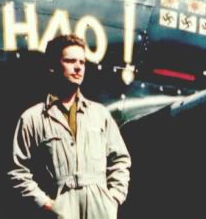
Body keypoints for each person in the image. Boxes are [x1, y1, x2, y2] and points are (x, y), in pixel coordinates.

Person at [8, 34, 131, 218]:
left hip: (101, 210)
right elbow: (17, 170)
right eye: (70, 61)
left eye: (82, 62)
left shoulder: (99, 114)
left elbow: (120, 159)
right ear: (53, 67)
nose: (78, 67)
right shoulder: (33, 118)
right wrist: (47, 204)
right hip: (61, 211)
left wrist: (113, 198)